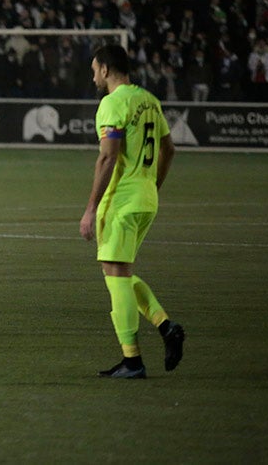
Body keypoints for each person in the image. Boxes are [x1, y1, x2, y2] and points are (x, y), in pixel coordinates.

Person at [80, 44, 185, 379]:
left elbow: (108, 157)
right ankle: (166, 328)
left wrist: (91, 207)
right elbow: (169, 149)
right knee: (121, 274)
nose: (94, 75)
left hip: (122, 199)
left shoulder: (113, 103)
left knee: (114, 277)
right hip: (146, 197)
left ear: (106, 70)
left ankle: (132, 360)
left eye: (95, 69)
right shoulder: (149, 100)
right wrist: (152, 186)